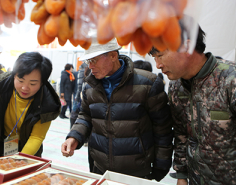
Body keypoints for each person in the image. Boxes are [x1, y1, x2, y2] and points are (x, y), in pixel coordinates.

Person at [61, 39, 173, 181]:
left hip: (136, 172)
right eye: (88, 61)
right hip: (99, 168)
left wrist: (161, 166)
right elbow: (85, 116)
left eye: (94, 60)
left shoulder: (147, 84)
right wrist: (74, 137)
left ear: (113, 56)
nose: (90, 66)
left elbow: (162, 128)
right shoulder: (90, 86)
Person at [149, 17, 236, 184]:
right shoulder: (177, 86)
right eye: (155, 58)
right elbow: (181, 134)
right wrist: (181, 175)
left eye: (160, 55)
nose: (158, 65)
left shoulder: (233, 81)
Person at [0, 52, 61, 158]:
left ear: (42, 82)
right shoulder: (1, 86)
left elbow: (36, 137)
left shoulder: (47, 102)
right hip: (0, 142)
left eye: (33, 83)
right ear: (14, 76)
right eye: (20, 80)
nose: (25, 88)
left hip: (28, 150)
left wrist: (17, 161)